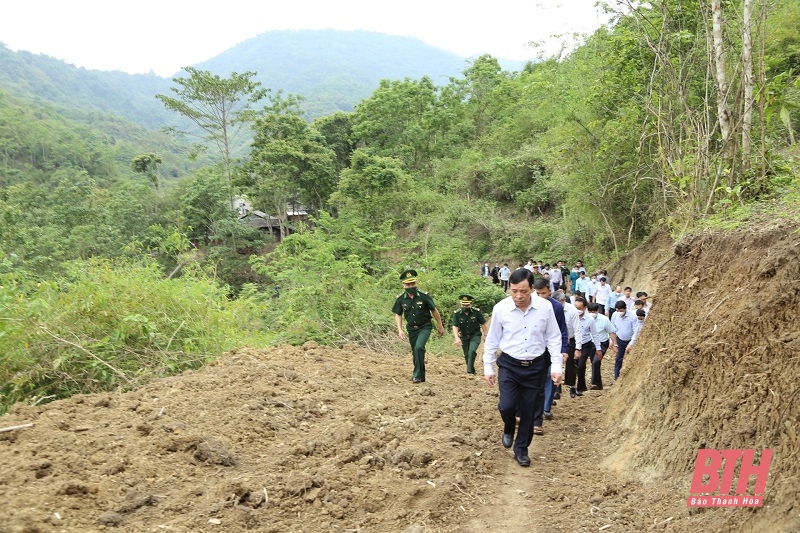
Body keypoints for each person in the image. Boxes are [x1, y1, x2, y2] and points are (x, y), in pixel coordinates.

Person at [483, 269, 563, 467]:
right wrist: (488, 366)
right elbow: (492, 339)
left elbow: (554, 337)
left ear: (532, 290)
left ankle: (521, 449)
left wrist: (556, 366)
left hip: (536, 365)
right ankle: (509, 426)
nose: (518, 296)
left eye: (523, 292)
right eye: (514, 291)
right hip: (509, 364)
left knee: (528, 409)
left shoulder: (545, 308)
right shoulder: (501, 308)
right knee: (507, 405)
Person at [392, 269, 445, 383]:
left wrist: (440, 325)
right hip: (412, 329)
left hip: (425, 326)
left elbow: (434, 311)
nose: (411, 286)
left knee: (419, 347)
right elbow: (398, 314)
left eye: (413, 283)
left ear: (416, 283)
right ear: (403, 285)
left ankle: (416, 375)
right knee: (415, 352)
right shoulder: (401, 299)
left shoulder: (424, 296)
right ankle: (421, 376)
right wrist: (400, 329)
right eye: (408, 284)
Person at [532, 278, 568, 433]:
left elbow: (562, 330)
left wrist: (564, 349)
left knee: (550, 377)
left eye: (544, 293)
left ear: (549, 290)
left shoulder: (556, 307)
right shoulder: (528, 305)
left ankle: (544, 409)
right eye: (538, 293)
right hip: (533, 349)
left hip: (551, 349)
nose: (541, 297)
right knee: (534, 381)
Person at [451, 294, 488, 374]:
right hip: (464, 336)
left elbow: (483, 324)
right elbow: (455, 326)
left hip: (475, 335)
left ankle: (469, 371)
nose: (465, 307)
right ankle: (472, 370)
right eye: (463, 305)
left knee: (471, 351)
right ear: (460, 304)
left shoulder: (476, 312)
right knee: (467, 355)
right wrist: (457, 338)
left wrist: (486, 335)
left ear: (471, 304)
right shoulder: (457, 314)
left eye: (467, 305)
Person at [572, 297, 601, 396]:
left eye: (579, 308)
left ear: (585, 308)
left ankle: (580, 388)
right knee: (574, 366)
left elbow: (595, 334)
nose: (577, 310)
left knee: (581, 365)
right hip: (573, 344)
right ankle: (577, 385)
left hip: (585, 345)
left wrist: (598, 348)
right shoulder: (571, 317)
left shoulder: (590, 320)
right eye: (575, 308)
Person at [587, 302, 616, 390]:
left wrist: (615, 344)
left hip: (602, 343)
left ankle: (593, 383)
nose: (592, 313)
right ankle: (599, 385)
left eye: (594, 311)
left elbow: (611, 332)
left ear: (597, 311)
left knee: (596, 361)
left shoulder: (604, 319)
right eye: (590, 311)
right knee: (595, 363)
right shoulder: (585, 318)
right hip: (590, 344)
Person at [610, 300, 636, 380]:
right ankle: (617, 378)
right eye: (618, 310)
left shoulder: (632, 316)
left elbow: (636, 330)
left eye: (621, 310)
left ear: (625, 308)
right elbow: (612, 329)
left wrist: (631, 343)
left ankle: (631, 378)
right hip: (620, 340)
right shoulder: (615, 315)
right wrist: (612, 342)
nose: (619, 312)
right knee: (618, 359)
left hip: (631, 341)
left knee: (632, 359)